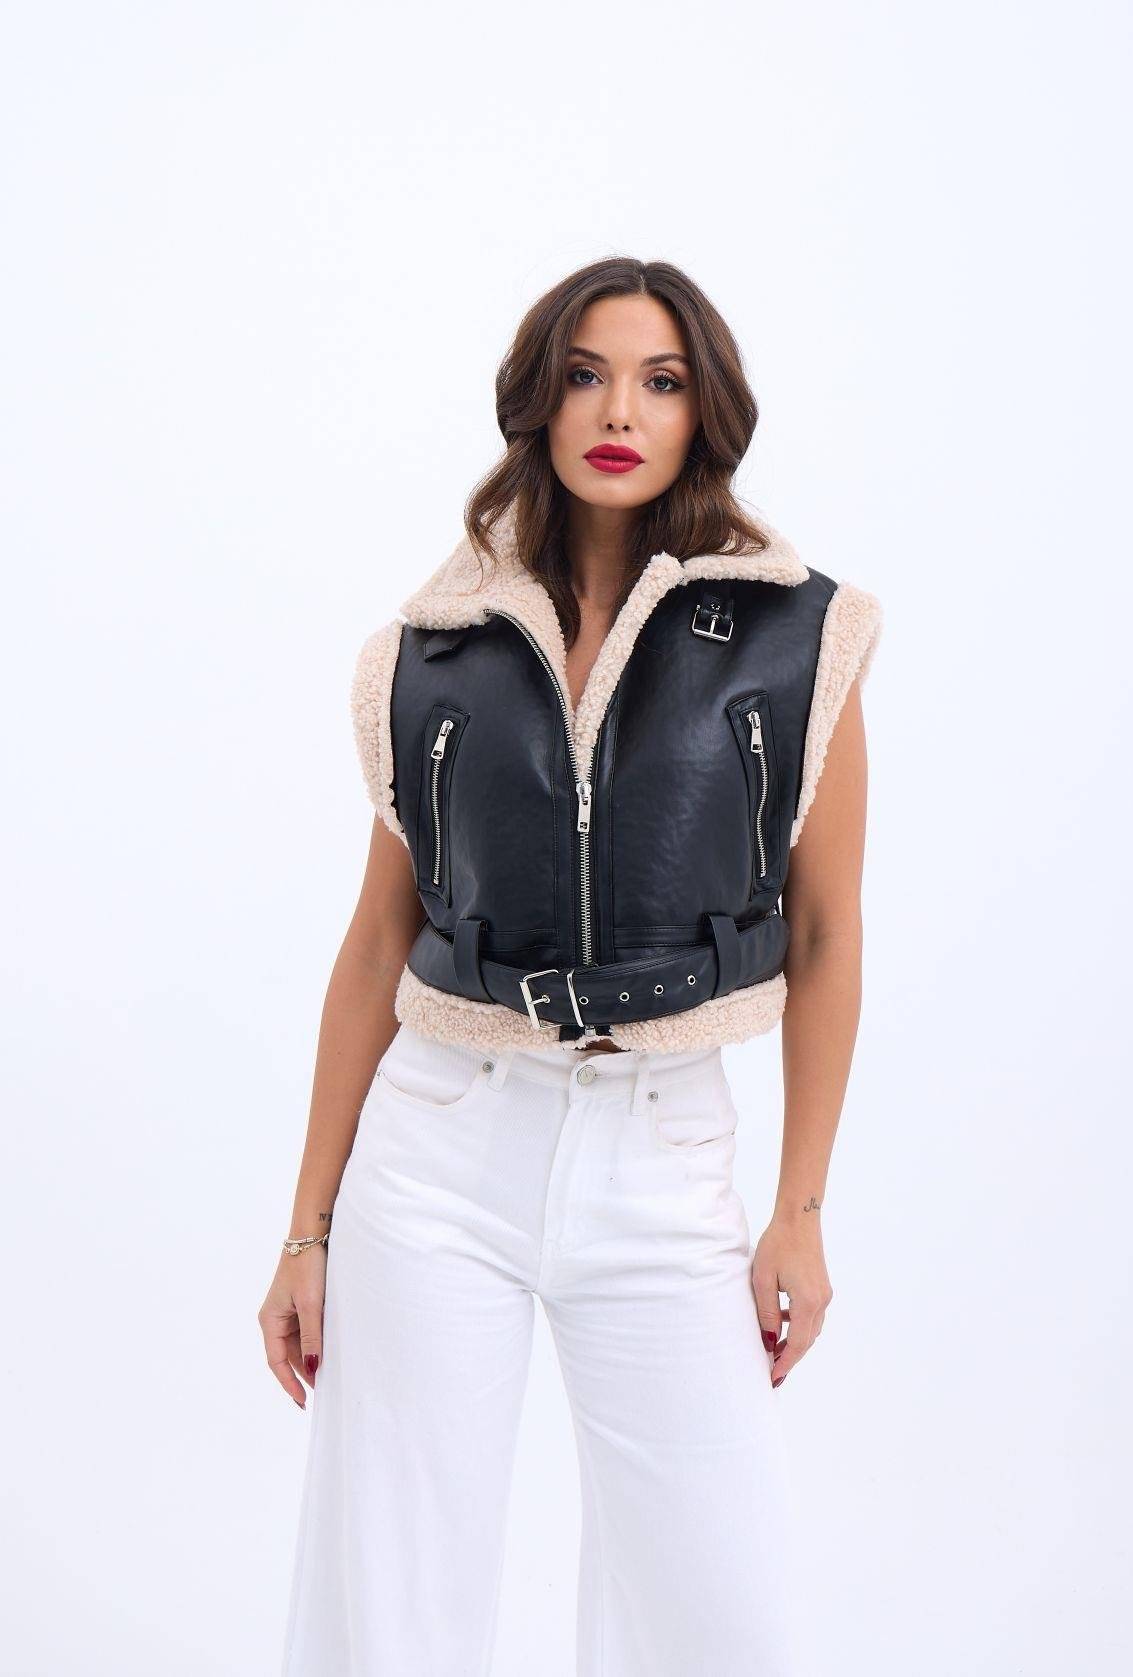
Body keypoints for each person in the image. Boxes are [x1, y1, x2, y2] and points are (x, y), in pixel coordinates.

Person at [261, 255, 883, 1676]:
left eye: (660, 381)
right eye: (586, 376)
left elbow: (829, 931)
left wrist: (798, 1209)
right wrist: (307, 1229)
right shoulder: (430, 650)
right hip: (437, 1154)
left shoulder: (801, 637)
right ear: (537, 402)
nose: (618, 411)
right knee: (393, 1607)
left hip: (663, 1158)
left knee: (722, 1618)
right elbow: (376, 943)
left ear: (704, 411)